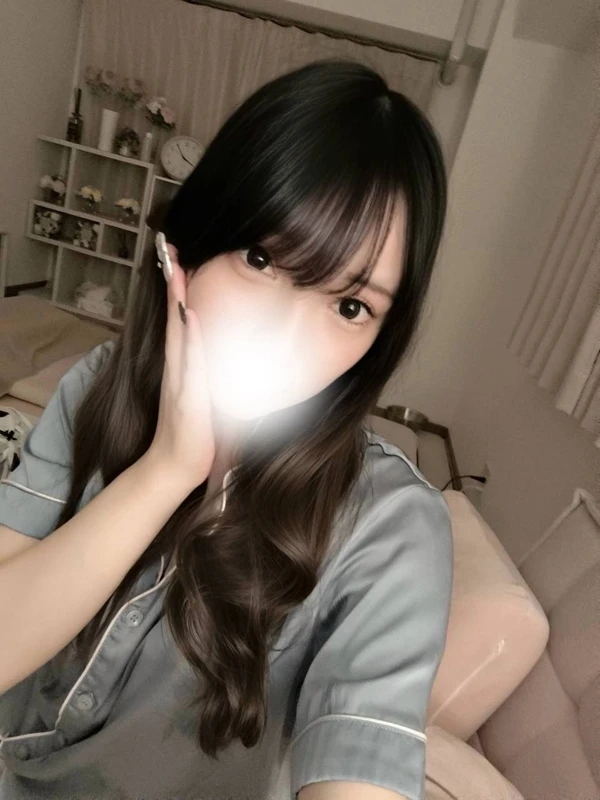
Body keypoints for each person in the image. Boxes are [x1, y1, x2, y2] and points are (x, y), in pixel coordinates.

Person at [0, 59, 453, 800]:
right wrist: (167, 469)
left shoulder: (391, 528)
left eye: (350, 307)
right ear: (185, 247)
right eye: (262, 258)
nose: (286, 337)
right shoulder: (102, 385)